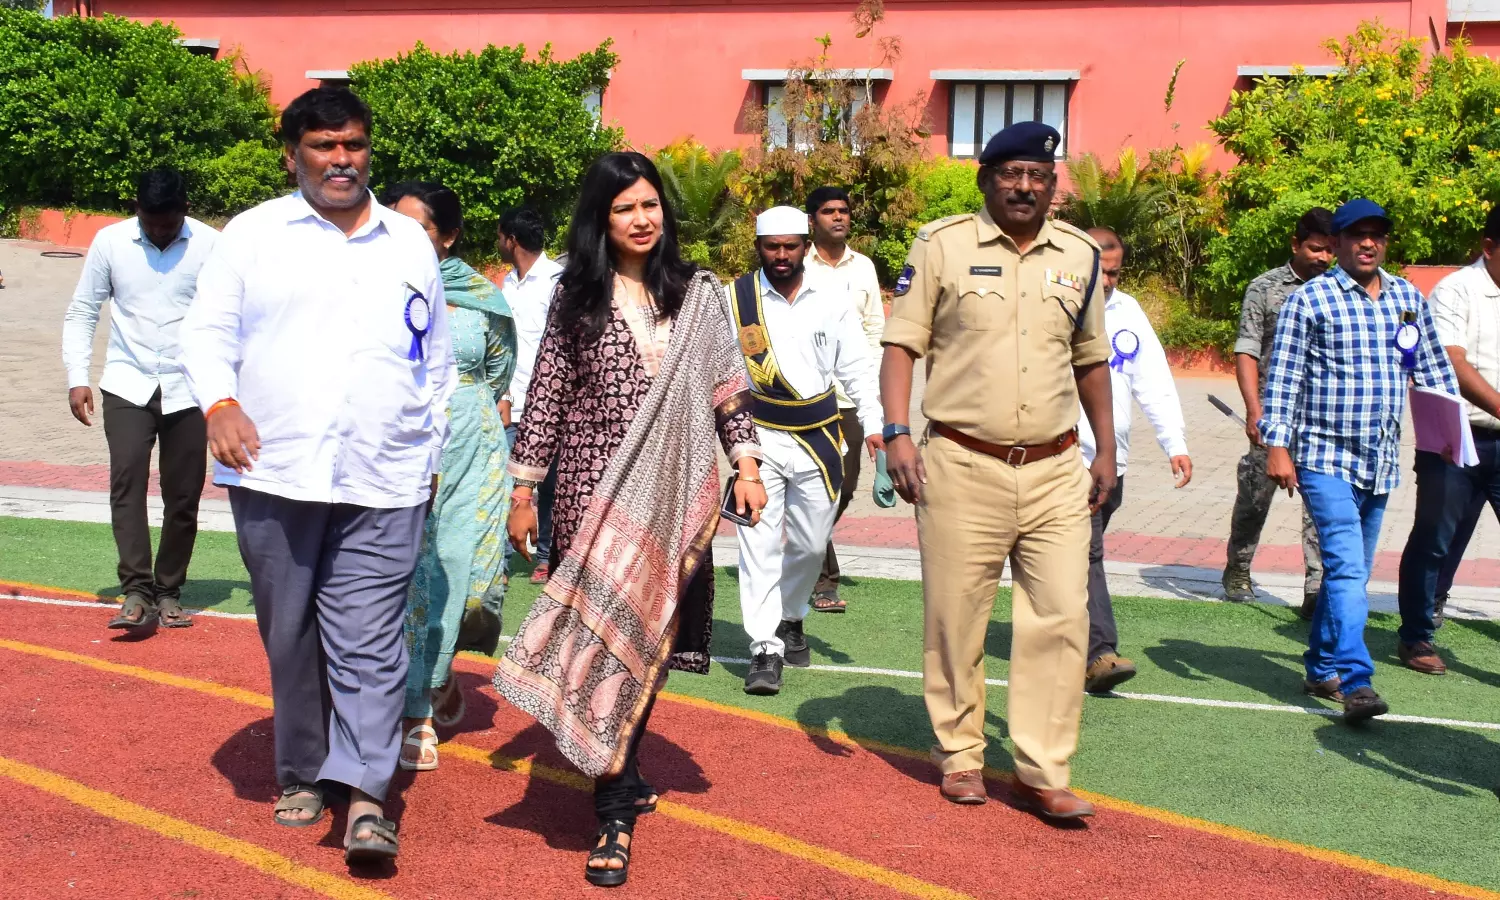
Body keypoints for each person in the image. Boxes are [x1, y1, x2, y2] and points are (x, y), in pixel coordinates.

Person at [180, 87, 455, 865]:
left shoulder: (409, 244)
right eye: (325, 146)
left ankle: (366, 797)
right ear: (292, 155)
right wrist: (220, 405)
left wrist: (428, 451)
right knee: (291, 632)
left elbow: (434, 360)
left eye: (354, 145)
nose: (342, 160)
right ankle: (303, 769)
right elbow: (206, 332)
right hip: (276, 470)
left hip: (384, 475)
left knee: (371, 639)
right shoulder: (252, 236)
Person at [496, 151, 766, 887]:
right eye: (625, 209)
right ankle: (614, 808)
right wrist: (523, 491)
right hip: (593, 495)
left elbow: (728, 388)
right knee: (604, 643)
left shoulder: (697, 294)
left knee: (647, 640)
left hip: (676, 498)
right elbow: (547, 396)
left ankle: (620, 762)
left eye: (650, 205)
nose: (642, 220)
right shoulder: (576, 295)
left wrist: (746, 465)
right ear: (601, 219)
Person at [880, 121, 1116, 820]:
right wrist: (897, 432)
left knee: (1062, 617)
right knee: (957, 617)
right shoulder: (941, 245)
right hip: (960, 463)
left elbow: (1091, 358)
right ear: (985, 180)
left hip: (1055, 468)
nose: (1024, 186)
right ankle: (961, 754)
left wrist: (1106, 448)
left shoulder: (1080, 255)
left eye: (1038, 176)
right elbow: (901, 345)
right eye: (1011, 174)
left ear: (1053, 185)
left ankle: (1044, 770)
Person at [1261, 199, 1457, 722]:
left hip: (1380, 459)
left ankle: (1320, 666)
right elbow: (1283, 379)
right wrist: (1277, 446)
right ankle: (1356, 680)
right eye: (1357, 235)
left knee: (1350, 571)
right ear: (1339, 242)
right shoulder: (1310, 299)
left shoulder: (1407, 298)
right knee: (1348, 568)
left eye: (1377, 235)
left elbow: (1433, 371)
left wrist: (1449, 435)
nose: (1368, 243)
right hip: (1323, 456)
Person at [380, 181, 516, 771]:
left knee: (469, 577)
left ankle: (436, 673)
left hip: (474, 451)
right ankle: (417, 711)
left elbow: (499, 370)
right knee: (413, 577)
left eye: (418, 229)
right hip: (399, 446)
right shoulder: (369, 286)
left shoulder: (480, 297)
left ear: (450, 237)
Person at [729, 206, 883, 696]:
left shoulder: (832, 297)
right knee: (757, 542)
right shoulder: (737, 300)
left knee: (811, 546)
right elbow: (724, 376)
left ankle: (792, 616)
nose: (781, 255)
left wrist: (876, 426)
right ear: (759, 248)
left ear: (804, 245)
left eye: (790, 246)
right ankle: (764, 646)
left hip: (819, 438)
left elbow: (857, 366)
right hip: (759, 440)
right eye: (771, 247)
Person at [62, 167, 217, 632]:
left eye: (168, 224)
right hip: (127, 383)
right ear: (137, 210)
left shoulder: (212, 245)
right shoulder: (111, 243)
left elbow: (233, 317)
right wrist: (77, 376)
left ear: (185, 209)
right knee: (127, 483)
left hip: (189, 388)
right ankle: (136, 589)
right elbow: (83, 310)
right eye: (150, 223)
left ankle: (168, 591)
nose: (159, 231)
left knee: (183, 494)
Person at [1076, 228, 1191, 694]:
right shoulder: (1055, 305)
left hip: (1112, 462)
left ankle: (1059, 631)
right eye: (1099, 272)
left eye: (1114, 273)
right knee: (1087, 552)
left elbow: (1153, 380)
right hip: (1065, 458)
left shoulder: (1128, 311)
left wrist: (1174, 443)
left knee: (1074, 557)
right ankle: (1098, 653)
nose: (1106, 282)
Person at [1395, 207, 1500, 675]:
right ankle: (1416, 635)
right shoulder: (1457, 289)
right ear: (1489, 248)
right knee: (1436, 538)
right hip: (1455, 437)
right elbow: (1452, 361)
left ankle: (1430, 607)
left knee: (1445, 540)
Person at [1223, 209, 1335, 615]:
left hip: (1322, 420)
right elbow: (1247, 350)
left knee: (1320, 507)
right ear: (1296, 244)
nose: (1324, 258)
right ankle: (1238, 568)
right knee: (1255, 497)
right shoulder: (1265, 288)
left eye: (1330, 250)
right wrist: (1255, 411)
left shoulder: (1339, 291)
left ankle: (1315, 588)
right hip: (1274, 417)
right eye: (1316, 249)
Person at [804, 186, 886, 614]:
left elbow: (875, 330)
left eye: (843, 211)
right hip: (808, 400)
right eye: (828, 211)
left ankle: (802, 548)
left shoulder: (864, 267)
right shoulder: (797, 265)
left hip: (852, 398)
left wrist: (871, 390)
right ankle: (823, 580)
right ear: (812, 220)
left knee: (845, 487)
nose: (838, 217)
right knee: (816, 487)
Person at [497, 206, 564, 585]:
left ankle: (547, 558)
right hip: (512, 403)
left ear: (512, 240)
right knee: (505, 486)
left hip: (552, 407)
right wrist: (503, 393)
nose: (497, 243)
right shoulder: (507, 284)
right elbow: (502, 346)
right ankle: (501, 563)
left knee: (552, 487)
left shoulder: (557, 281)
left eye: (499, 237)